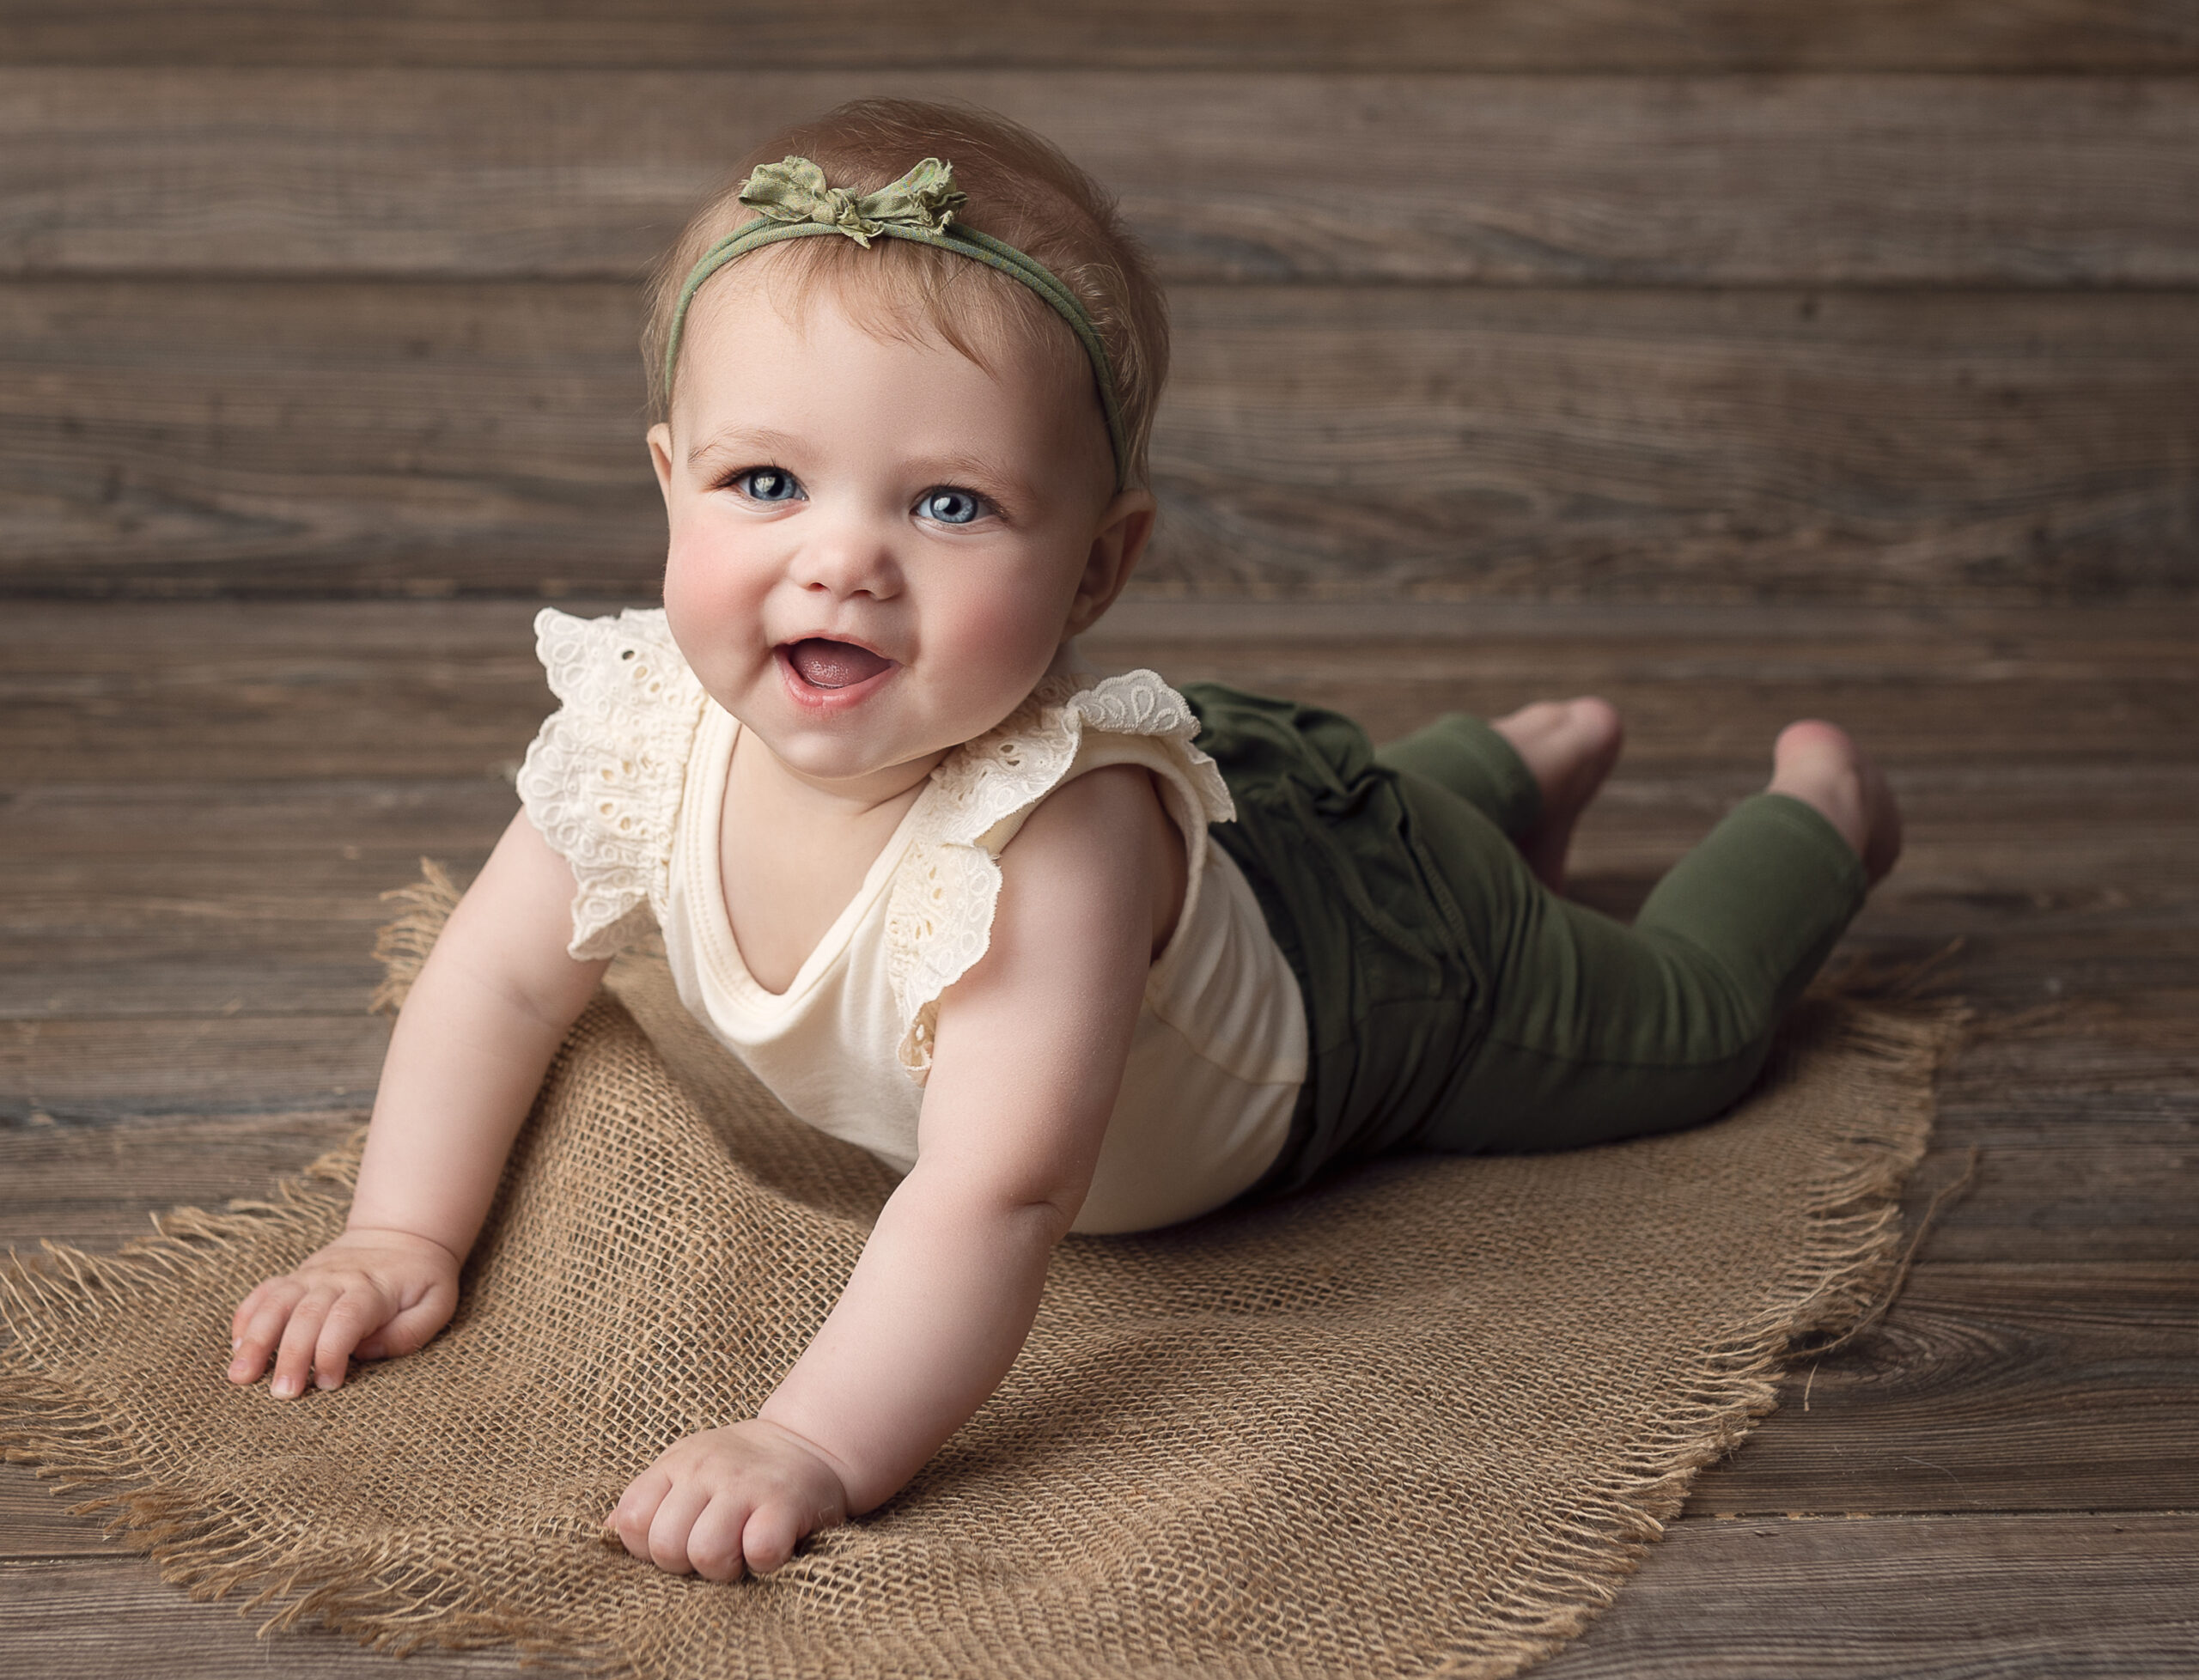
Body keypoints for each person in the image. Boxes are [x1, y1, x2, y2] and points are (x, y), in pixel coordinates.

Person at [225, 99, 1902, 1586]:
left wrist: (808, 1441)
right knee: (1327, 807)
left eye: (945, 504)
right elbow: (495, 987)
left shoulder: (1056, 847)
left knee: (1683, 1031)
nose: (841, 563)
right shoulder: (636, 732)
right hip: (1248, 830)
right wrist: (399, 1233)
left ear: (1096, 571)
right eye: (762, 483)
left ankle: (1810, 821)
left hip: (1380, 982)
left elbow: (997, 1185)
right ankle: (1511, 764)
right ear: (667, 479)